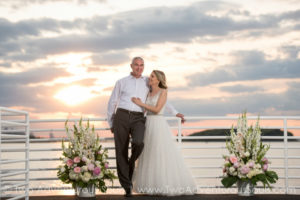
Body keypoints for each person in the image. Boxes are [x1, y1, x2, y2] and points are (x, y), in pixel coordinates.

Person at [107, 57, 185, 197]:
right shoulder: (121, 82)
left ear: (143, 67)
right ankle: (127, 186)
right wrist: (111, 122)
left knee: (138, 142)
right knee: (121, 151)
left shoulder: (147, 82)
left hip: (138, 117)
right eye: (136, 65)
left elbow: (160, 97)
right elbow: (112, 102)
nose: (139, 68)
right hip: (122, 116)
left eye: (141, 65)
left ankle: (130, 163)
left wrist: (175, 112)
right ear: (131, 66)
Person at [131, 70, 197, 196]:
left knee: (159, 154)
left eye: (152, 76)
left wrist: (141, 103)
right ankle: (150, 185)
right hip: (147, 125)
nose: (149, 78)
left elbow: (157, 109)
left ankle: (163, 184)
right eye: (150, 76)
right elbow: (148, 109)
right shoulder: (147, 92)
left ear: (159, 79)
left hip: (157, 125)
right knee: (148, 154)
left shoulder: (163, 91)